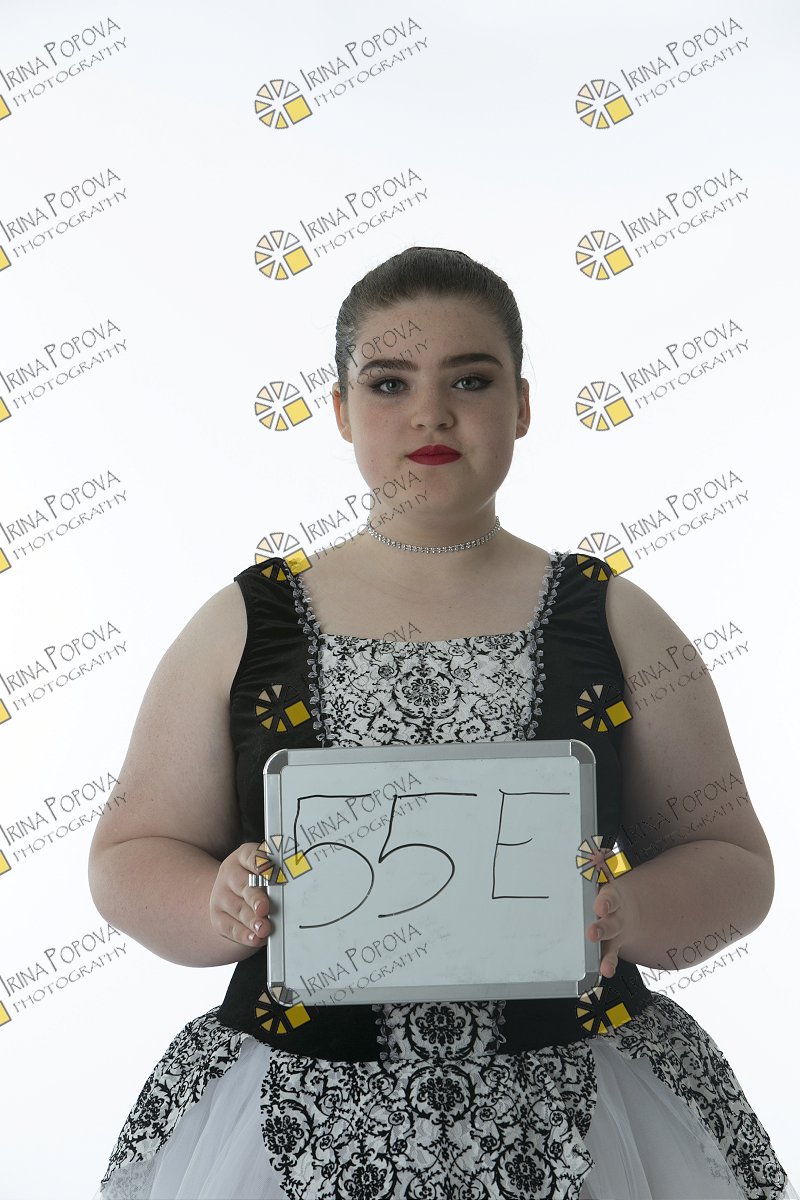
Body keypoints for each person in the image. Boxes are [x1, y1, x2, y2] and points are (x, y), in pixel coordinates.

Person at [89, 247, 796, 1200]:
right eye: (390, 383)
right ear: (341, 411)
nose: (430, 413)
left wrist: (635, 910)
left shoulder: (613, 619)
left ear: (523, 405)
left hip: (579, 1118)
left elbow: (735, 861)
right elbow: (130, 851)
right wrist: (211, 903)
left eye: (471, 379)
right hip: (298, 1116)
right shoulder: (243, 625)